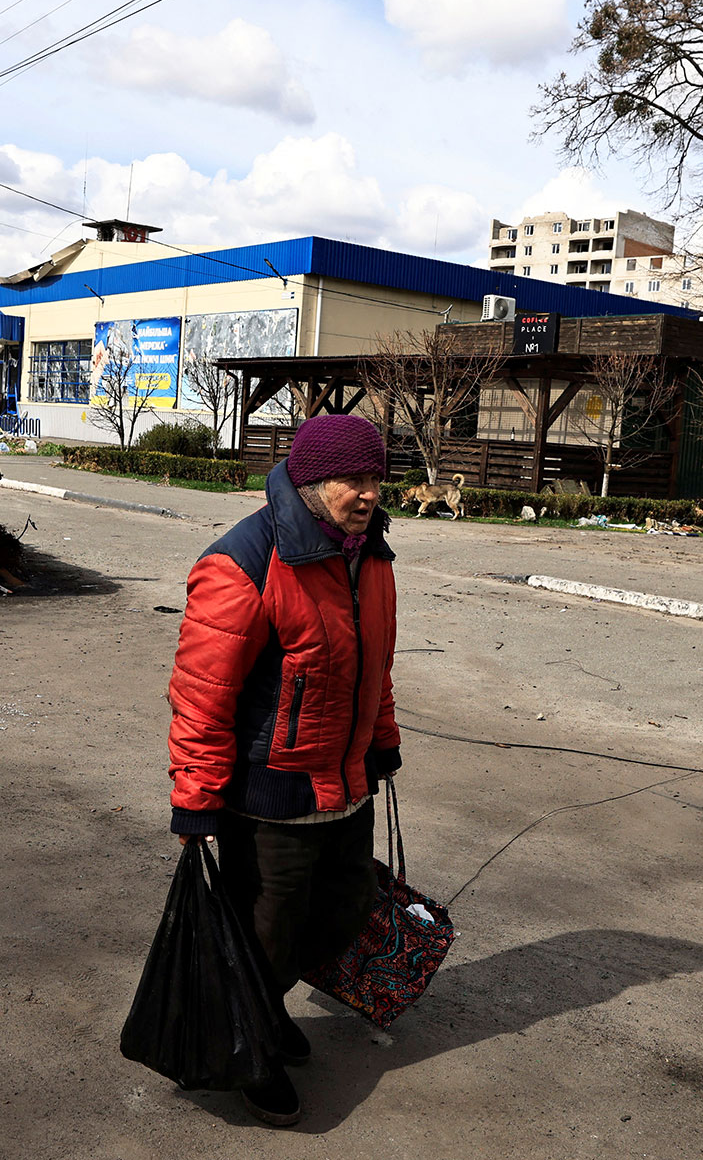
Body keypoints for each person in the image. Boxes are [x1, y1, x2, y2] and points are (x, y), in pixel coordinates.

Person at [165, 413, 402, 1127]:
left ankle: (262, 1009)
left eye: (374, 478)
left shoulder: (370, 552)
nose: (367, 493)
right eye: (351, 480)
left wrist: (382, 738)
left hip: (348, 782)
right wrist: (197, 797)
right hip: (272, 793)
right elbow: (203, 695)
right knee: (265, 934)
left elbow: (373, 663)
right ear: (308, 482)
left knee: (342, 913)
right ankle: (249, 1050)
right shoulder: (243, 561)